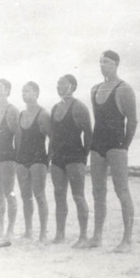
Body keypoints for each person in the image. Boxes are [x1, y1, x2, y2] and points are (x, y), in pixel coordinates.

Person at [87, 50, 138, 253]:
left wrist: (125, 145)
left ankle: (127, 239)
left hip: (116, 144)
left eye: (106, 62)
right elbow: (97, 119)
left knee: (121, 190)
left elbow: (132, 120)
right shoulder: (94, 89)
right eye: (100, 62)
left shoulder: (124, 89)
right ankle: (97, 236)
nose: (102, 66)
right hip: (97, 144)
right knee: (98, 191)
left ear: (116, 64)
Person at [50, 74, 92, 248]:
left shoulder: (79, 107)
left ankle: (83, 236)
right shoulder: (54, 108)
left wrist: (84, 157)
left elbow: (88, 133)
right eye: (58, 83)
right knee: (59, 196)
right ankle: (60, 235)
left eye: (63, 83)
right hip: (58, 158)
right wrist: (50, 154)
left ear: (72, 86)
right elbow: (52, 135)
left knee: (78, 195)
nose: (59, 86)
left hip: (75, 156)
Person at [16, 81, 51, 243]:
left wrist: (47, 159)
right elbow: (19, 139)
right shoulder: (21, 115)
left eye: (28, 91)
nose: (24, 94)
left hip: (38, 158)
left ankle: (43, 232)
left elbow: (53, 138)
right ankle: (28, 231)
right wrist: (18, 158)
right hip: (22, 159)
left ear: (36, 93)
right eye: (23, 91)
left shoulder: (43, 114)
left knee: (39, 195)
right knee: (25, 197)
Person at [0, 79, 19, 240]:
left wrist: (19, 157)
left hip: (8, 154)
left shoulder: (12, 110)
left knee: (9, 192)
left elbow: (18, 135)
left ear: (7, 90)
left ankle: (11, 229)